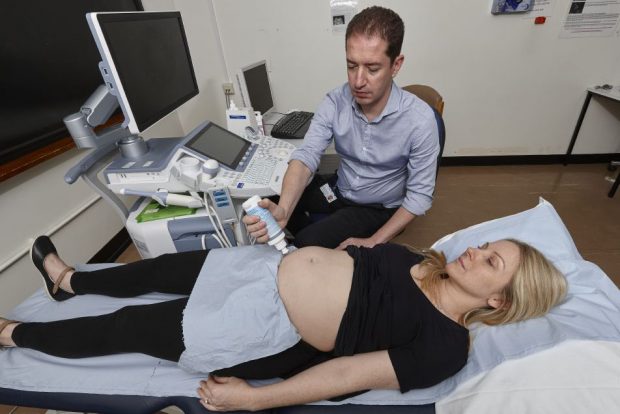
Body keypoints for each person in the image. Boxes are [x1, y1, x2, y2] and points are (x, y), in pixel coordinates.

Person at [0, 235, 567, 412]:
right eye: (487, 246)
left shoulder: (446, 344)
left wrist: (255, 399)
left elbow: (348, 374)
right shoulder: (427, 261)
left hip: (264, 326)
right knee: (153, 270)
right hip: (257, 268)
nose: (474, 252)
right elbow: (353, 257)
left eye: (490, 262)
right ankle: (70, 281)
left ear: (499, 302)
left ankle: (11, 334)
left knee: (124, 327)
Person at [244, 6, 441, 250]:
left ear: (396, 65)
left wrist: (372, 242)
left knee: (306, 242)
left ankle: (315, 250)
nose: (358, 81)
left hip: (376, 207)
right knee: (272, 201)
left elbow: (419, 197)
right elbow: (306, 157)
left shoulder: (420, 121)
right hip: (339, 189)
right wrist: (283, 210)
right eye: (351, 65)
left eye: (372, 69)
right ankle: (318, 248)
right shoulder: (335, 101)